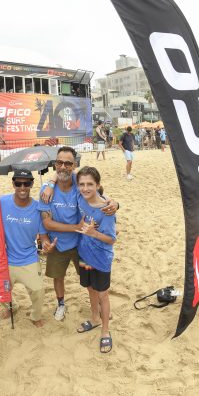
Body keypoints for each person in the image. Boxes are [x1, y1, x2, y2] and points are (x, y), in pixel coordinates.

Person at [38, 146, 118, 321]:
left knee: (89, 281)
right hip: (58, 243)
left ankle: (98, 308)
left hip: (82, 244)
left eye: (68, 163)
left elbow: (99, 193)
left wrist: (114, 202)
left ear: (74, 165)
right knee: (58, 277)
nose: (63, 166)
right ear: (55, 164)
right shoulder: (46, 190)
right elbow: (47, 223)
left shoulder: (79, 181)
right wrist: (76, 227)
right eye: (59, 162)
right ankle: (61, 304)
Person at [0, 169, 56, 327]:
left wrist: (46, 245)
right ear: (13, 184)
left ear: (32, 184)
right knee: (1, 291)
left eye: (27, 183)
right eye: (18, 183)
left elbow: (43, 236)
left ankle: (35, 316)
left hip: (29, 258)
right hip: (6, 259)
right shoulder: (1, 202)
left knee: (38, 290)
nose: (22, 187)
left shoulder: (39, 209)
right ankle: (13, 306)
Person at [74, 166, 116, 354]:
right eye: (82, 184)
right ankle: (94, 319)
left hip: (101, 259)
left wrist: (94, 233)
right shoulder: (80, 198)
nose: (85, 188)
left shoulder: (106, 211)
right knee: (90, 288)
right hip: (84, 255)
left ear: (98, 185)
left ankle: (105, 330)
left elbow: (112, 239)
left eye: (90, 184)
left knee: (102, 294)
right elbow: (64, 173)